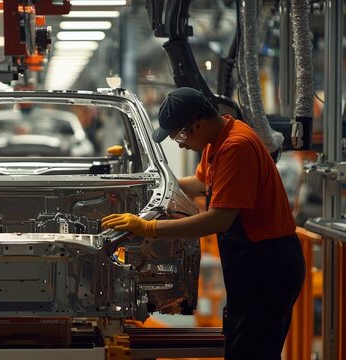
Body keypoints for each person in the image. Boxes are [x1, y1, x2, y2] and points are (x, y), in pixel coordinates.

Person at [102, 87, 305, 360]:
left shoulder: (236, 146)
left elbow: (218, 220)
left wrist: (149, 228)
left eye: (180, 136)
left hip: (268, 265)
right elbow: (199, 184)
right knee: (243, 345)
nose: (182, 144)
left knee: (253, 351)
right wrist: (145, 190)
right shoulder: (218, 141)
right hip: (254, 264)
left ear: (197, 124)